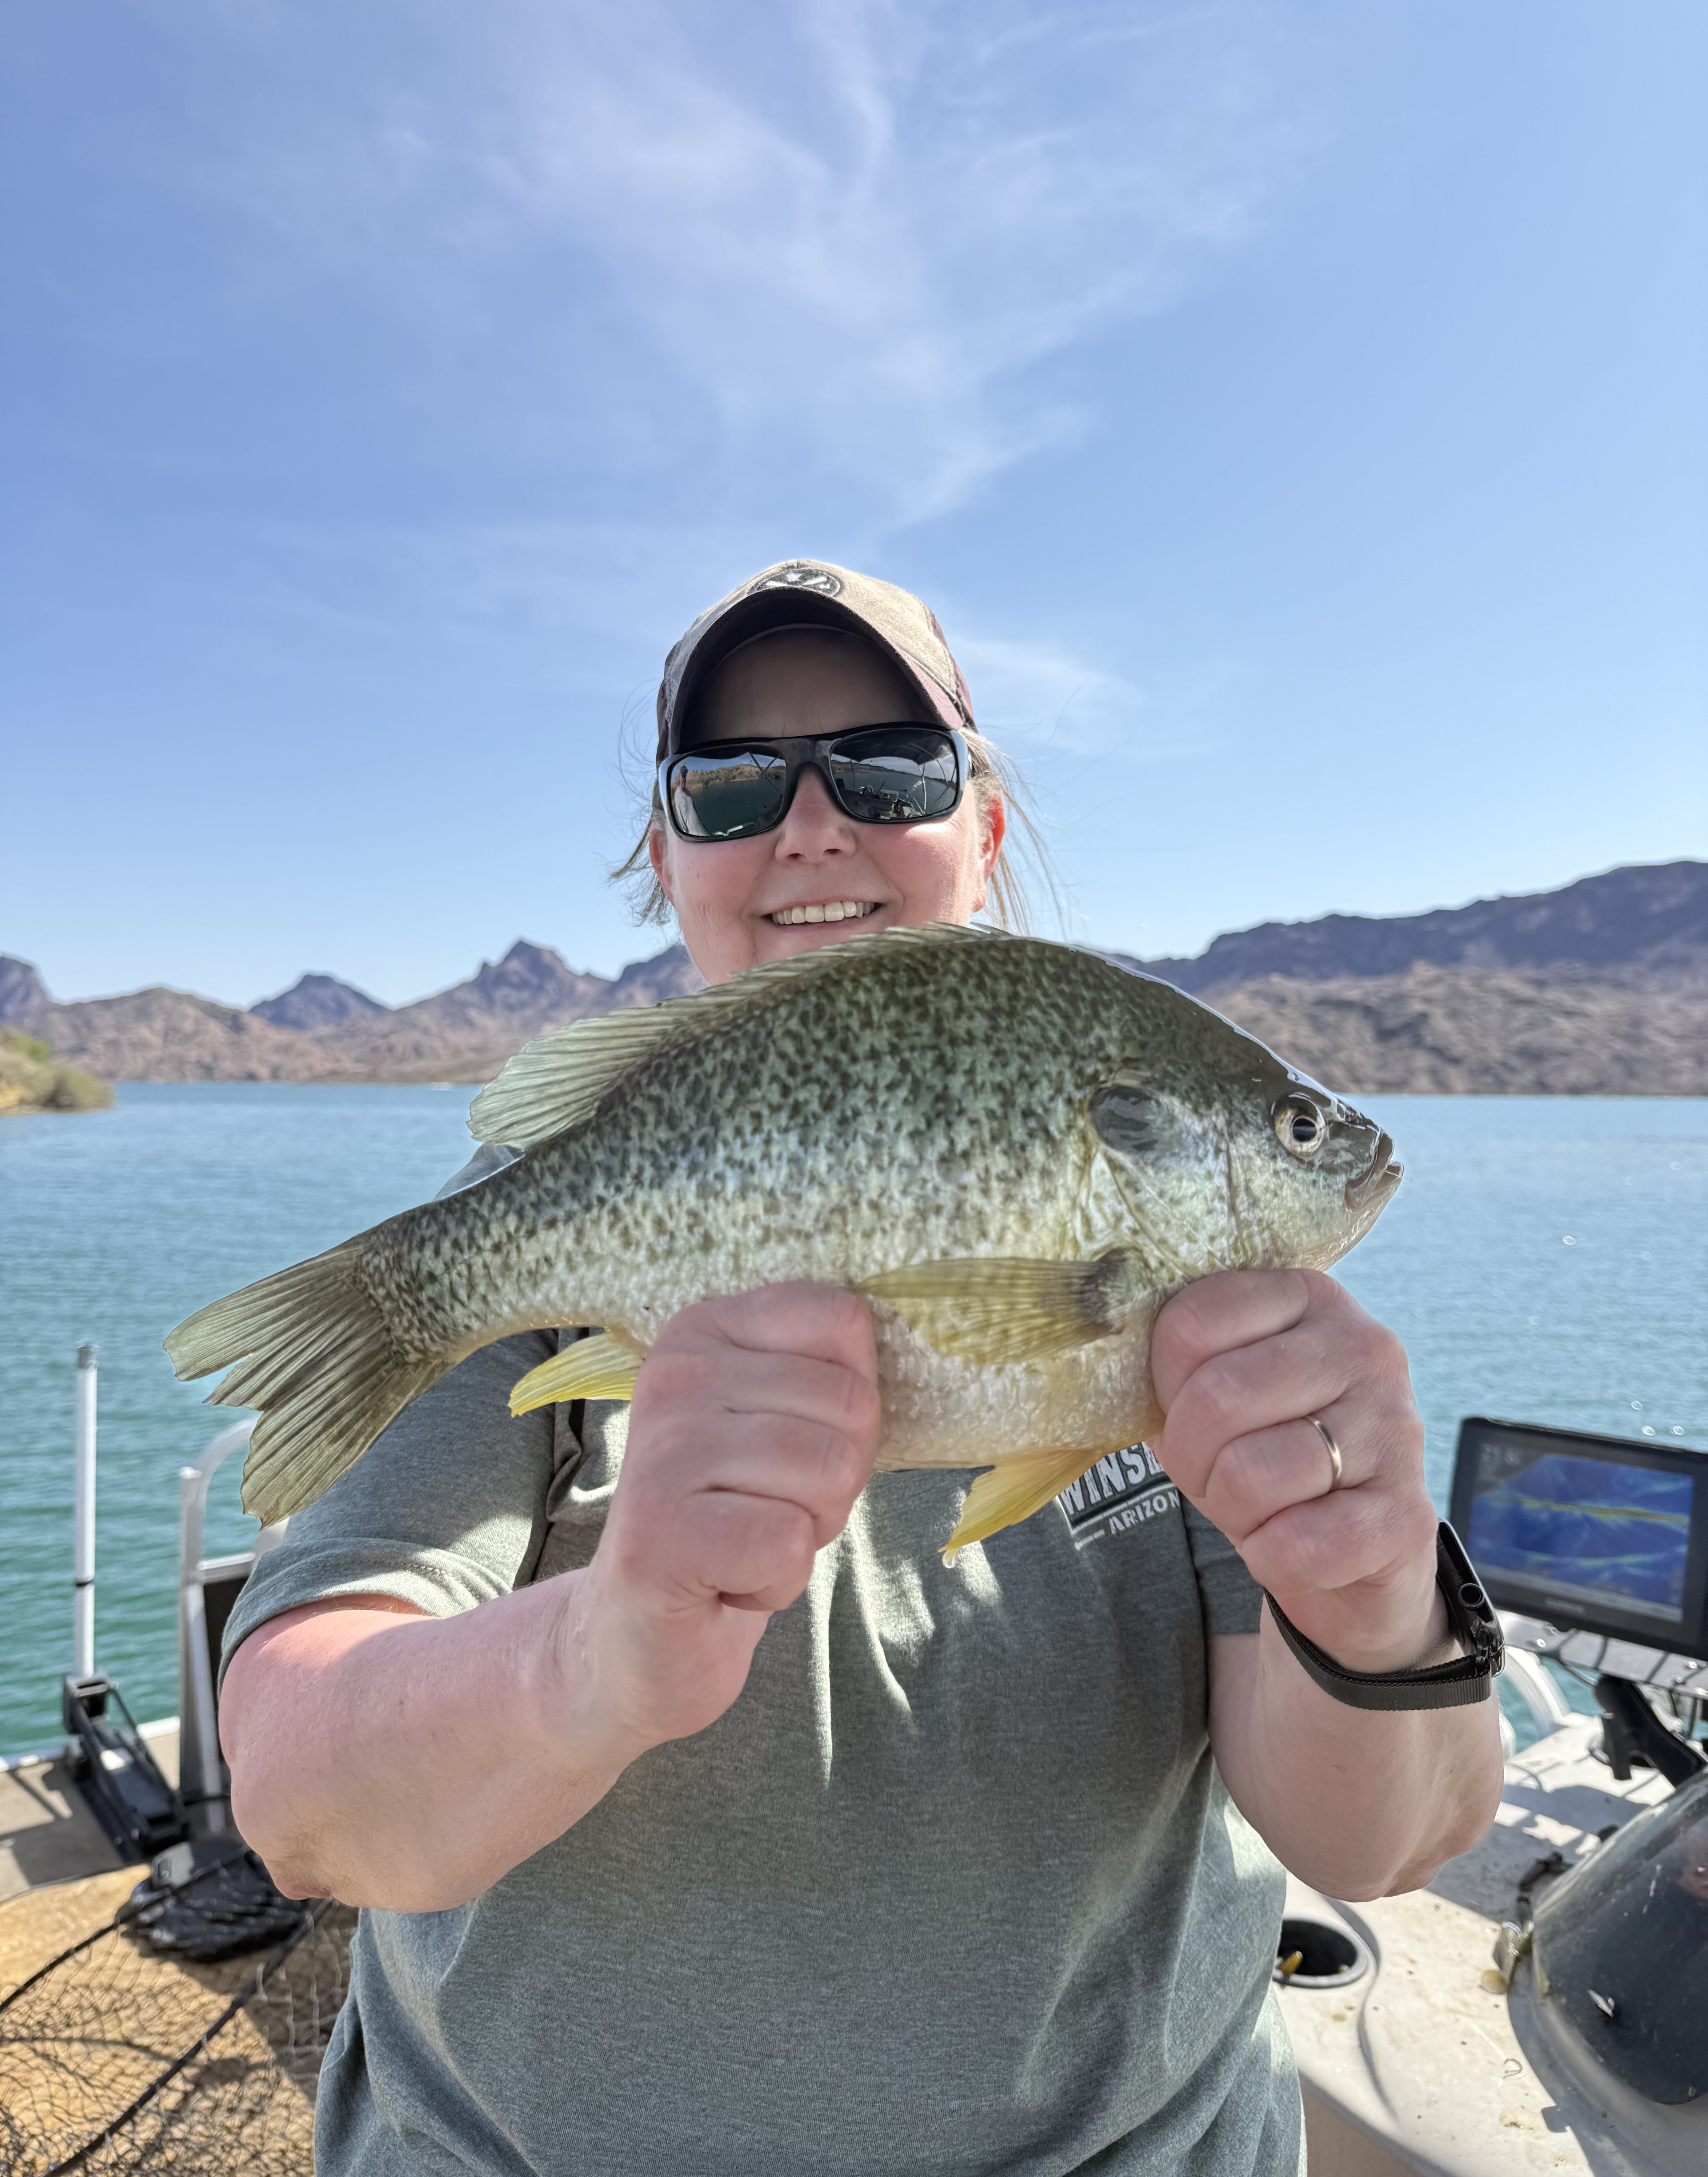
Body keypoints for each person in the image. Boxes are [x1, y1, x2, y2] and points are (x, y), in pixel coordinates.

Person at [219, 559, 1505, 2177]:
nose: (810, 825)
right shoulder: (527, 1254)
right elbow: (294, 1798)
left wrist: (1367, 1597)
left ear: (984, 822)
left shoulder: (1225, 1326)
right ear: (667, 858)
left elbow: (1389, 1840)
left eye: (889, 766)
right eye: (732, 783)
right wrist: (602, 1657)